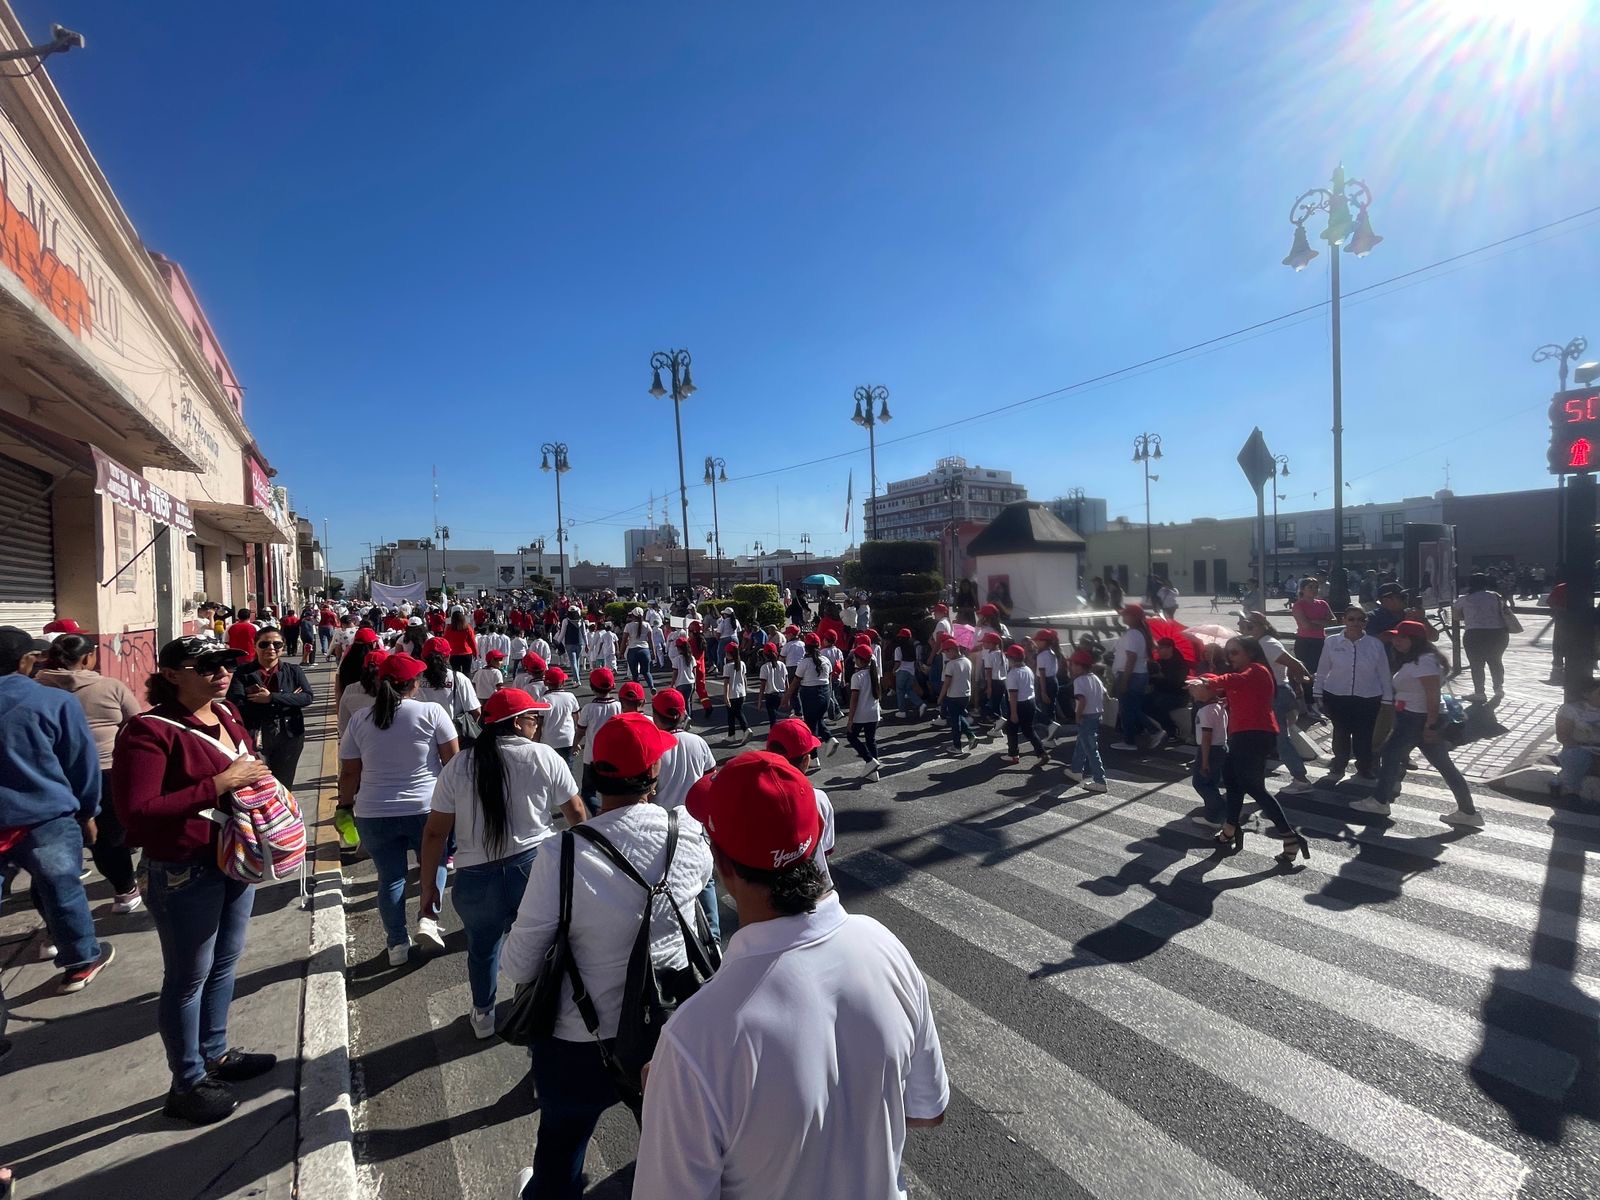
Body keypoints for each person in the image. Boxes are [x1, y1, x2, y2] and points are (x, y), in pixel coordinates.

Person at [635, 751, 948, 1196]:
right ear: (816, 835)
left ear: (722, 864)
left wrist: (673, 1087)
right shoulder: (886, 947)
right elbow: (927, 1112)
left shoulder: (694, 1038)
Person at [501, 713, 714, 1198]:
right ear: (654, 774)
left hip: (579, 1039)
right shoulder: (688, 835)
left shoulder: (561, 853)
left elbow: (518, 964)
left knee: (560, 1151)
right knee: (669, 1147)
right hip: (667, 1032)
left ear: (595, 775)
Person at [112, 634, 280, 1124]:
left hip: (234, 857)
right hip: (183, 867)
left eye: (226, 663)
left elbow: (245, 768)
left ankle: (216, 1053)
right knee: (188, 978)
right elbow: (137, 812)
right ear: (170, 674)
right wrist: (219, 784)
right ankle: (185, 1082)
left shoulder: (227, 713)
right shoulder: (148, 731)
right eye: (206, 666)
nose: (221, 673)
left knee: (225, 964)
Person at [420, 688, 584, 1038]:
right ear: (517, 722)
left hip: (475, 878)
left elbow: (435, 834)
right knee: (542, 944)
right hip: (534, 868)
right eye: (534, 717)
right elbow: (577, 814)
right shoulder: (544, 756)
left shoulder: (458, 766)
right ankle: (539, 1008)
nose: (538, 724)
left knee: (482, 950)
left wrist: (428, 888)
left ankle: (483, 1014)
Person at [0, 627, 111, 994]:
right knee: (62, 890)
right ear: (26, 661)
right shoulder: (54, 701)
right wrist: (88, 812)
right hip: (46, 817)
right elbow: (81, 764)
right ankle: (80, 961)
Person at [338, 653, 461, 965]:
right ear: (414, 684)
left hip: (373, 812)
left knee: (390, 878)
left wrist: (344, 806)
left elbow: (349, 772)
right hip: (427, 808)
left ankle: (396, 944)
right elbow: (453, 762)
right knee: (435, 864)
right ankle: (428, 919)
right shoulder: (432, 712)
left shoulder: (360, 719)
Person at [34, 634, 143, 911]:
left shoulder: (35, 689)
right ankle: (125, 891)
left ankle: (55, 910)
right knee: (110, 839)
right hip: (106, 772)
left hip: (52, 776)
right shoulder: (110, 686)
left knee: (53, 842)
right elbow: (136, 723)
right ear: (87, 658)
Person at [1185, 638, 1310, 865]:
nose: (1229, 657)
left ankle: (1289, 836)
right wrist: (1224, 699)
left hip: (1255, 736)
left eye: (1234, 652)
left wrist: (1207, 681)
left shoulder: (1257, 670)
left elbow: (1233, 681)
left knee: (1254, 787)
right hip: (1242, 735)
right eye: (1228, 653)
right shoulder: (1246, 675)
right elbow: (1240, 693)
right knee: (1233, 782)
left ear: (1250, 652)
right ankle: (1231, 828)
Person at [1353, 621, 1482, 826]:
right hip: (1415, 717)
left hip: (1417, 718)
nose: (1396, 641)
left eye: (1402, 637)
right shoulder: (1417, 659)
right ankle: (1468, 811)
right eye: (1395, 637)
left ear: (1416, 640)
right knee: (1442, 764)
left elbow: (1433, 694)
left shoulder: (1425, 661)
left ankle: (1379, 801)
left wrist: (1430, 725)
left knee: (1390, 755)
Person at [1312, 607, 1393, 783]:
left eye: (1361, 619)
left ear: (1365, 622)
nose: (1356, 623)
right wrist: (1317, 692)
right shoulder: (1332, 642)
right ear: (1343, 620)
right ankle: (1339, 763)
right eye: (1351, 619)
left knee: (1364, 734)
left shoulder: (1375, 644)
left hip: (1368, 696)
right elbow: (1323, 669)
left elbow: (1384, 673)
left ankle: (1364, 766)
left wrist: (1387, 698)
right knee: (1340, 731)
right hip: (1337, 695)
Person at [227, 626, 315, 787]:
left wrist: (271, 698)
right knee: (259, 784)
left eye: (277, 644)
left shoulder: (293, 671)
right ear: (255, 646)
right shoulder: (242, 673)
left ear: (283, 645)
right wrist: (290, 698)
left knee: (284, 783)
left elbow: (307, 697)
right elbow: (237, 704)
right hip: (256, 734)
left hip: (290, 735)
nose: (271, 648)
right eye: (264, 644)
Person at [1238, 612, 1314, 794]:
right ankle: (1253, 775)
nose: (1246, 629)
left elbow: (1294, 663)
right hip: (1272, 693)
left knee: (1280, 738)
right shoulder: (1259, 643)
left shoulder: (1268, 643)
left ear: (1263, 626)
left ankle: (1300, 778)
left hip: (1277, 694)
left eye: (1250, 626)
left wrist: (1304, 680)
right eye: (1243, 626)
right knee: (1266, 736)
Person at [1110, 603, 1162, 752]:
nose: (1123, 617)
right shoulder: (1140, 633)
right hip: (1138, 675)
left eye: (1125, 614)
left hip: (1131, 675)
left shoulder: (1133, 634)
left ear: (1133, 617)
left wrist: (1125, 681)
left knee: (1129, 708)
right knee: (1131, 708)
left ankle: (1150, 731)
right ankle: (1132, 739)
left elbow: (1131, 658)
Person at [1453, 572, 1512, 702]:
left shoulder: (1463, 599)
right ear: (1485, 584)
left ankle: (1480, 693)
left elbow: (1456, 617)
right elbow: (1505, 611)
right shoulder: (1495, 596)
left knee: (1476, 664)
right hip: (1498, 633)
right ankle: (1498, 688)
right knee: (1496, 661)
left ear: (1470, 584)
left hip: (1474, 633)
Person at [1058, 650, 1109, 793]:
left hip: (1086, 716)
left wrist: (1078, 716)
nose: (1071, 667)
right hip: (1096, 715)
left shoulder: (1079, 681)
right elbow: (1105, 693)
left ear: (1081, 666)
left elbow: (1082, 700)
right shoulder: (1095, 678)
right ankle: (1076, 770)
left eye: (1074, 664)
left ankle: (1100, 780)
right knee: (1082, 744)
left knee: (1091, 749)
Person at [418, 638, 483, 744]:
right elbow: (476, 711)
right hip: (453, 737)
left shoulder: (415, 679)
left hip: (422, 735)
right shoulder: (458, 678)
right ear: (448, 656)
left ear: (422, 656)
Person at [575, 668, 621, 814]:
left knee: (588, 792)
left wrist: (575, 744)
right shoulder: (618, 706)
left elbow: (580, 731)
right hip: (614, 756)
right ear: (612, 686)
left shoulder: (589, 708)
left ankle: (597, 813)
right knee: (612, 790)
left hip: (592, 757)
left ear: (592, 687)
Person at [1188, 676, 1228, 828]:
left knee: (1201, 783)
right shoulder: (1219, 706)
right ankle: (1214, 812)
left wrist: (1204, 761)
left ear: (1208, 690)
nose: (1192, 690)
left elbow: (1206, 737)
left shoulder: (1205, 711)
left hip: (1210, 750)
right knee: (1211, 782)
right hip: (1220, 747)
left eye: (1196, 687)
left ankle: (1216, 814)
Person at [1001, 643, 1050, 767]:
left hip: (1018, 705)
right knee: (1028, 730)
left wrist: (1013, 713)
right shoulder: (1027, 669)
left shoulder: (1013, 674)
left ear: (1012, 659)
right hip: (1030, 702)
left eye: (1008, 658)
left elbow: (1013, 695)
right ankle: (1042, 752)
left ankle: (1013, 754)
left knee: (1011, 729)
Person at [1553, 677, 1600, 801]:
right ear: (1587, 694)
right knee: (1575, 758)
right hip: (1579, 748)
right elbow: (1563, 736)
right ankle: (1570, 791)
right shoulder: (1570, 710)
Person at [1291, 579, 1334, 708]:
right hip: (1305, 643)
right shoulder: (1299, 605)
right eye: (1310, 587)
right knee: (1307, 672)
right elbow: (1306, 625)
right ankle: (1309, 703)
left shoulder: (1323, 603)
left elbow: (1333, 621)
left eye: (1316, 587)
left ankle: (1320, 699)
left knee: (1322, 670)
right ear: (1302, 589)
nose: (1314, 589)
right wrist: (1322, 622)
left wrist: (1315, 621)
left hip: (1321, 641)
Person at [845, 641, 883, 781]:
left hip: (861, 714)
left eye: (855, 658)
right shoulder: (874, 674)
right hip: (874, 713)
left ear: (860, 660)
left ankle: (869, 760)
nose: (854, 660)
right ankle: (874, 772)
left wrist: (850, 719)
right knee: (871, 741)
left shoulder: (857, 677)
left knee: (851, 736)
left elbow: (854, 700)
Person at [934, 636, 976, 757]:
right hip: (965, 694)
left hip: (953, 695)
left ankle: (957, 746)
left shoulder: (951, 664)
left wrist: (940, 697)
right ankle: (970, 736)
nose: (946, 654)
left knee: (955, 721)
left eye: (946, 651)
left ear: (952, 650)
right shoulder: (967, 661)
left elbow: (946, 683)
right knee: (958, 716)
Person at [722, 642, 750, 743]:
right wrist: (745, 690)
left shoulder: (727, 666)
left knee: (736, 714)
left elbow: (726, 683)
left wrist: (725, 696)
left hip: (732, 694)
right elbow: (744, 678)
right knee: (733, 714)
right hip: (741, 692)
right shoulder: (742, 664)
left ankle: (745, 729)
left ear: (729, 654)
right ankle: (731, 734)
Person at [622, 608, 655, 693]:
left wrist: (621, 652)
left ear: (633, 616)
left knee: (635, 674)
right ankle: (652, 686)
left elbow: (624, 640)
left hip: (632, 650)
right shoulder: (647, 625)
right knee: (646, 672)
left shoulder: (628, 626)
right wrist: (653, 653)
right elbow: (651, 641)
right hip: (644, 650)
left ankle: (638, 692)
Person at [758, 642, 789, 726]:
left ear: (764, 655)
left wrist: (760, 701)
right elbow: (786, 682)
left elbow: (763, 686)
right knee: (777, 717)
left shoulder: (764, 667)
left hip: (770, 696)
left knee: (773, 719)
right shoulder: (782, 665)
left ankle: (774, 731)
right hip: (781, 694)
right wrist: (787, 697)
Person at [443, 609, 478, 677]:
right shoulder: (467, 628)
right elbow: (472, 641)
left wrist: (445, 653)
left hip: (454, 653)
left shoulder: (449, 628)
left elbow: (445, 641)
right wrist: (475, 652)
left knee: (456, 674)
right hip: (466, 653)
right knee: (467, 672)